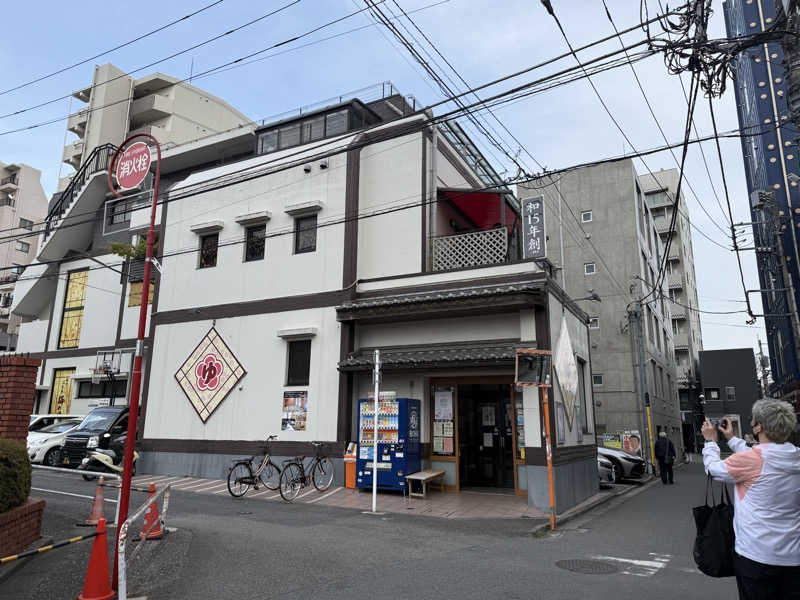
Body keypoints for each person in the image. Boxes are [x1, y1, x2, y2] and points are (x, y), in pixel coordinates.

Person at [701, 399, 800, 599]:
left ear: (759, 427)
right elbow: (762, 456)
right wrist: (731, 439)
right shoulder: (795, 456)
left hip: (756, 556)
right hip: (793, 556)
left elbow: (713, 469)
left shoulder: (751, 461)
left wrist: (711, 442)